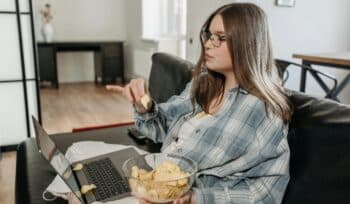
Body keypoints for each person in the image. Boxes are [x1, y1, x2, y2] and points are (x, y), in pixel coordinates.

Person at [107, 3, 293, 204]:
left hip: (180, 197)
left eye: (220, 38)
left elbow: (266, 193)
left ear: (248, 43)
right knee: (82, 167)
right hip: (156, 181)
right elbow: (161, 128)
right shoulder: (203, 82)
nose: (208, 44)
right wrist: (144, 105)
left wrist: (197, 198)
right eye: (209, 35)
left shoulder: (264, 109)